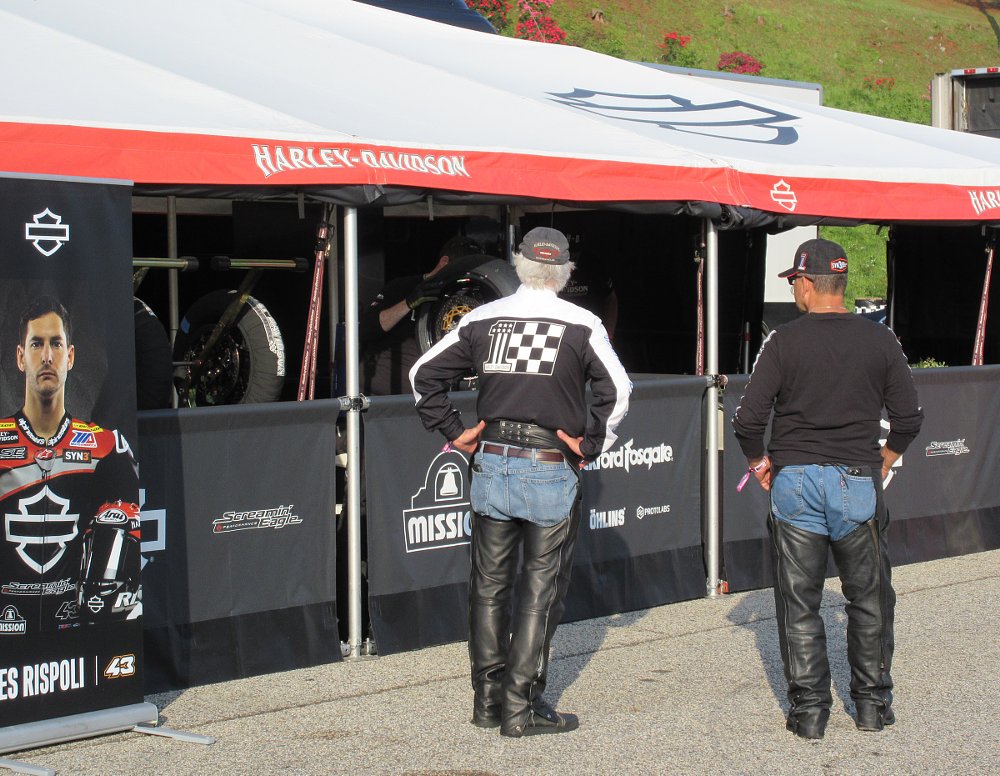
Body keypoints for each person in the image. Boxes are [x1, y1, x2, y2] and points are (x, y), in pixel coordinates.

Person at [409, 227, 631, 738]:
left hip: (491, 461)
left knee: (488, 587)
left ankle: (488, 702)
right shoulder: (581, 322)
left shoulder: (484, 318)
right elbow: (618, 391)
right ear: (566, 271)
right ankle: (521, 706)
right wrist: (592, 444)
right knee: (539, 590)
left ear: (518, 264)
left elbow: (424, 375)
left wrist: (456, 433)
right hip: (549, 463)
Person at [731, 239, 923, 740]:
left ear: (809, 283)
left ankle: (810, 715)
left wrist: (758, 463)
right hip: (856, 480)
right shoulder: (881, 340)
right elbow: (909, 417)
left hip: (794, 481)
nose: (794, 290)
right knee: (871, 598)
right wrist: (883, 458)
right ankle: (872, 707)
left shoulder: (782, 341)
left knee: (800, 603)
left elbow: (747, 421)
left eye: (794, 281)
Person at [0, 296, 141, 632]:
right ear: (21, 357)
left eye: (56, 344)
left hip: (79, 628)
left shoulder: (106, 446)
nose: (47, 356)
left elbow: (131, 527)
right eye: (36, 344)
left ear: (70, 356)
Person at [360, 234, 483, 396]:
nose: (464, 275)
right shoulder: (403, 286)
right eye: (461, 269)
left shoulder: (469, 296)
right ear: (444, 262)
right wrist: (410, 302)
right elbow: (367, 329)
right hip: (387, 390)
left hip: (434, 392)